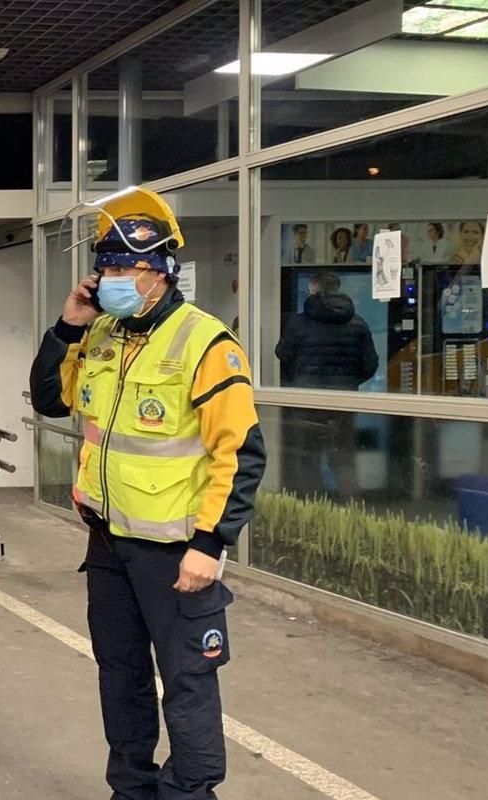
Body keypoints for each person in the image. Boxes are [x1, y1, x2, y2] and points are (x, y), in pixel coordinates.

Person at [30, 187, 264, 800]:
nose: (109, 278)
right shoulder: (104, 334)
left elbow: (239, 454)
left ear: (159, 272)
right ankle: (130, 788)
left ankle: (190, 791)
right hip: (109, 544)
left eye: (123, 268)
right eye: (103, 267)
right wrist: (67, 327)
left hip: (175, 550)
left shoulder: (205, 342)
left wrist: (210, 544)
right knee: (122, 674)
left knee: (187, 679)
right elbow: (53, 399)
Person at [274, 271, 377, 497]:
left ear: (313, 291)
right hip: (344, 402)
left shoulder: (298, 323)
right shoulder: (358, 323)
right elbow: (370, 365)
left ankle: (313, 510)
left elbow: (282, 354)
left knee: (307, 459)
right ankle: (351, 510)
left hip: (307, 402)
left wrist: (300, 378)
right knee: (344, 459)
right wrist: (348, 382)